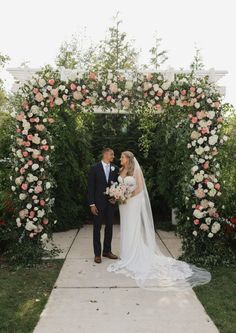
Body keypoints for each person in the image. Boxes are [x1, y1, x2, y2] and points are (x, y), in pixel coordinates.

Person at [107, 151, 211, 291]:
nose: (120, 158)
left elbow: (140, 189)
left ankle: (134, 254)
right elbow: (119, 185)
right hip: (123, 204)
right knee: (126, 227)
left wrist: (126, 196)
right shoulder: (121, 170)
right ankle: (126, 253)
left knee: (133, 227)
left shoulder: (135, 170)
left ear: (128, 159)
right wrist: (118, 194)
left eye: (123, 157)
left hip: (132, 202)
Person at [88, 148, 119, 263]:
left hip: (110, 204)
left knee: (109, 227)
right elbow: (91, 188)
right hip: (98, 204)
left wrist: (115, 198)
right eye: (112, 154)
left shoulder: (115, 168)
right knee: (97, 228)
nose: (113, 156)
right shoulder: (94, 168)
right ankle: (97, 254)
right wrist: (92, 204)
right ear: (105, 154)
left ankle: (107, 251)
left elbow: (118, 186)